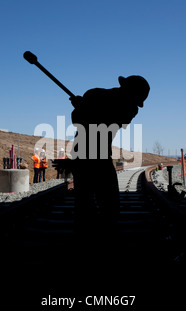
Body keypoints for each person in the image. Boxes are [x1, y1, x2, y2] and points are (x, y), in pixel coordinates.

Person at [65, 75, 150, 240]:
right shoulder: (124, 105)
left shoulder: (96, 96)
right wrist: (81, 107)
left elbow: (82, 120)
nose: (135, 102)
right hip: (93, 155)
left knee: (89, 199)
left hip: (88, 154)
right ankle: (102, 236)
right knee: (105, 201)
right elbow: (82, 120)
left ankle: (89, 234)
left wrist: (81, 107)